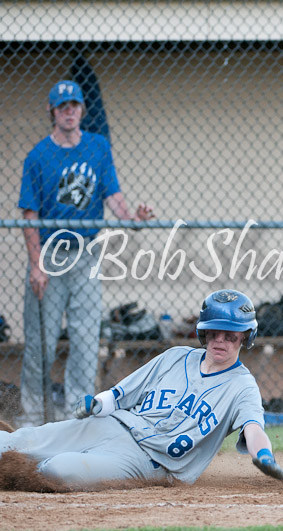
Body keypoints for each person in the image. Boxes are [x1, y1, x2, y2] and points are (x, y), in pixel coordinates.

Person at [0, 289, 283, 490]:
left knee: (57, 470)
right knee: (21, 441)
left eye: (230, 335)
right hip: (113, 426)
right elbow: (119, 395)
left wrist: (263, 455)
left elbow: (253, 428)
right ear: (203, 333)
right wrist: (96, 404)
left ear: (246, 337)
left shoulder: (242, 387)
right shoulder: (175, 357)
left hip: (150, 463)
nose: (220, 341)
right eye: (214, 333)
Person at [17, 80, 155, 427]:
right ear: (52, 111)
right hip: (50, 255)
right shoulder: (37, 156)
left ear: (81, 109)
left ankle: (76, 419)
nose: (69, 111)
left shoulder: (97, 147)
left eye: (74, 105)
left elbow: (113, 196)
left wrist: (132, 219)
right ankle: (31, 420)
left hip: (87, 255)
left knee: (85, 341)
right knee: (41, 344)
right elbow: (29, 216)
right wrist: (36, 266)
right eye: (63, 106)